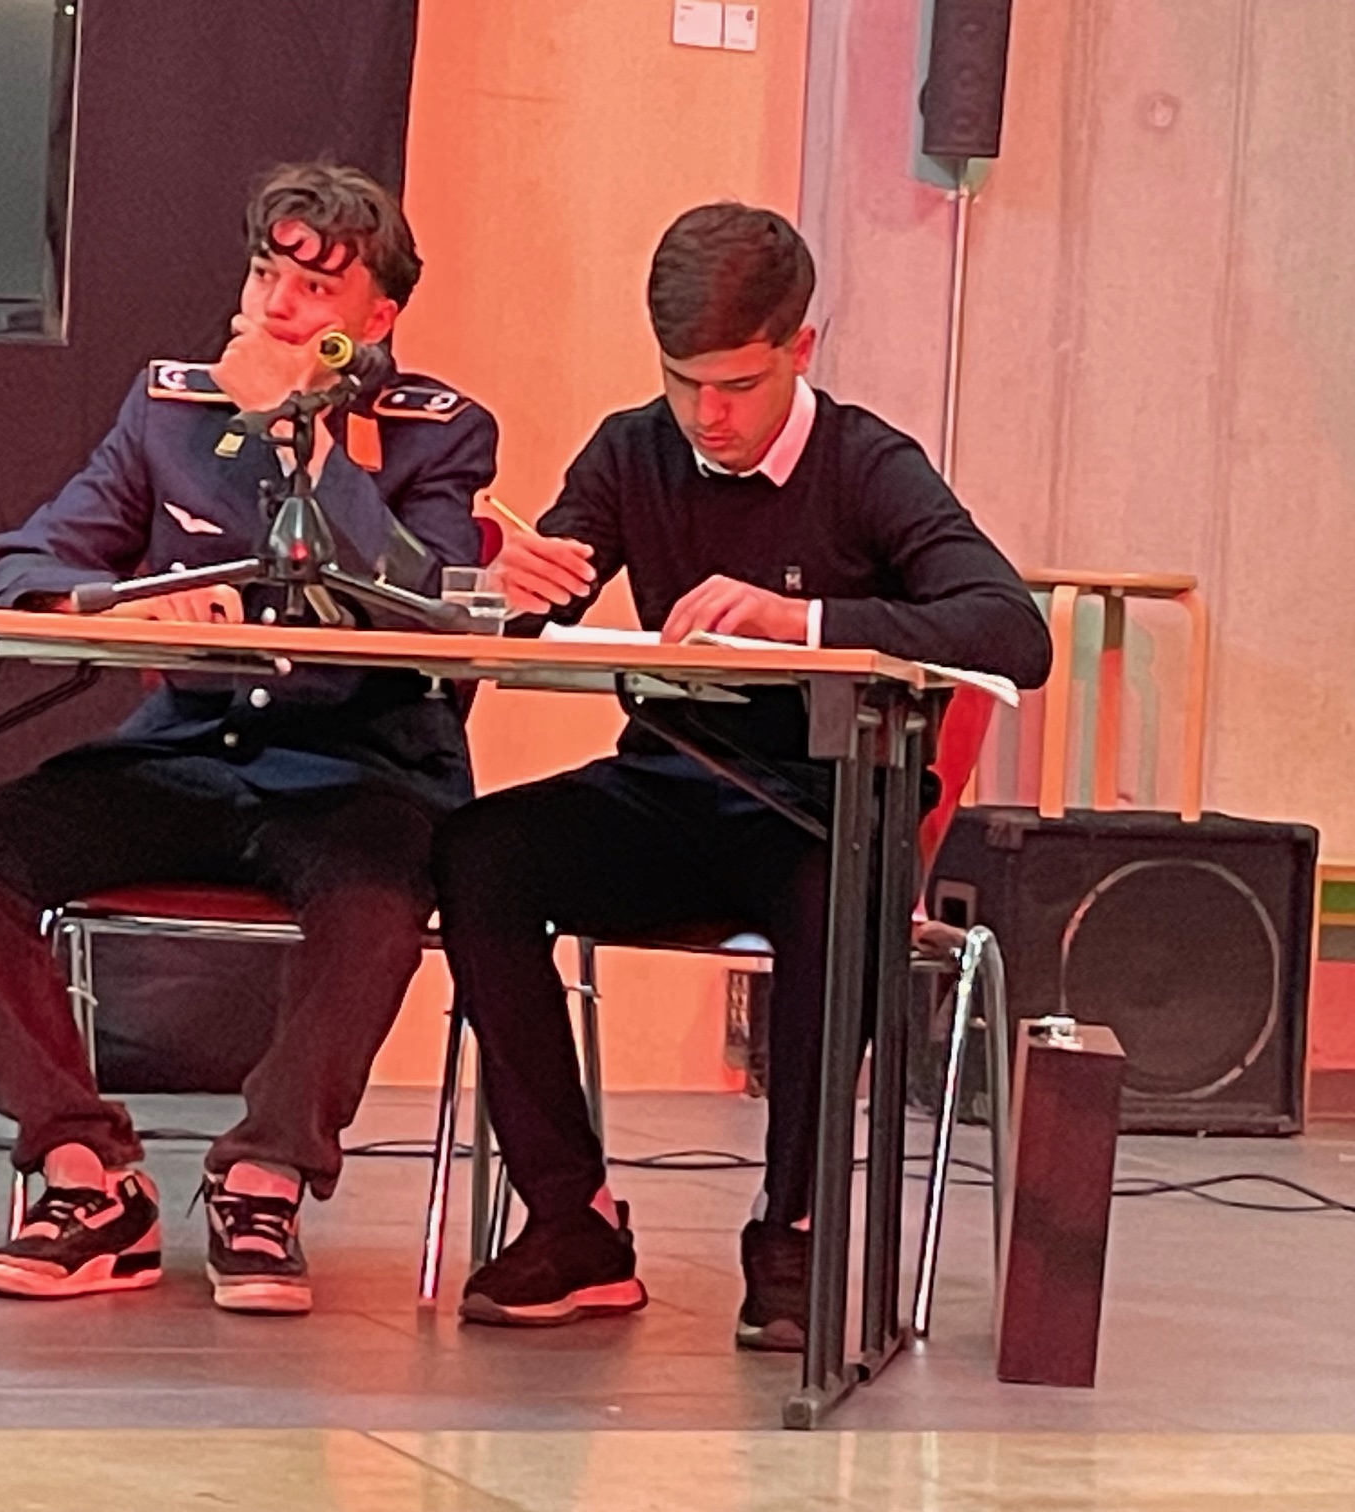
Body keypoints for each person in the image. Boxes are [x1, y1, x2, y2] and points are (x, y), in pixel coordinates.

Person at [433, 203, 1050, 1346]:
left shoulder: (868, 464)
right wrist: (500, 586)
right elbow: (539, 602)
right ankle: (573, 1220)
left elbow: (1013, 631)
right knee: (481, 853)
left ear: (800, 348)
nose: (707, 416)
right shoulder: (633, 449)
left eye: (737, 385)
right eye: (682, 383)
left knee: (834, 893)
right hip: (670, 791)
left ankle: (793, 1230)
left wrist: (798, 621)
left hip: (826, 808)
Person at [0, 162, 497, 1316]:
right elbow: (27, 559)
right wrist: (122, 604)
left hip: (355, 768)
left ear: (376, 320)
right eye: (268, 274)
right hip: (184, 753)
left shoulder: (441, 432)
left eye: (316, 292)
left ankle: (264, 1180)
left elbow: (430, 603)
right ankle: (85, 1174)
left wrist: (306, 443)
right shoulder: (169, 410)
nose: (278, 306)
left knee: (381, 895)